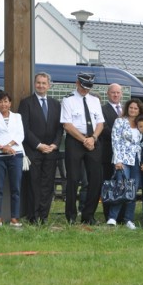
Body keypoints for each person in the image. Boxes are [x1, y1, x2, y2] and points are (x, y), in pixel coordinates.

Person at [18, 72, 63, 224]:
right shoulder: (26, 103)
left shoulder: (56, 104)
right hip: (33, 151)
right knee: (33, 184)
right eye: (38, 82)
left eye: (44, 83)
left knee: (47, 185)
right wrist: (39, 145)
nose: (41, 85)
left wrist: (54, 145)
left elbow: (59, 128)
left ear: (49, 85)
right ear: (34, 84)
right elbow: (24, 128)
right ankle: (33, 216)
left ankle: (44, 216)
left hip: (51, 152)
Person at [60, 73, 104, 225]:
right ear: (77, 83)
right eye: (83, 87)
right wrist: (84, 139)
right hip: (75, 140)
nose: (86, 90)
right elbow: (67, 124)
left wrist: (93, 138)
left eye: (88, 88)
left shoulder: (95, 100)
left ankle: (88, 215)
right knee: (73, 178)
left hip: (93, 140)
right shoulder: (68, 99)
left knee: (95, 179)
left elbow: (100, 122)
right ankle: (71, 215)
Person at [0, 91, 25, 227]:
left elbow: (20, 135)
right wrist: (3, 148)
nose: (3, 104)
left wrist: (9, 146)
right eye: (1, 102)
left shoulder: (17, 117)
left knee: (16, 187)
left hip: (15, 155)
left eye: (6, 101)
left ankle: (14, 217)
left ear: (10, 103)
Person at [107, 98, 143, 230]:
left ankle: (129, 219)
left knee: (132, 189)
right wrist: (117, 160)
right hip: (122, 160)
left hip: (137, 160)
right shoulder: (120, 121)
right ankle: (112, 217)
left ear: (139, 110)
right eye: (131, 108)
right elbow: (115, 140)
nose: (133, 110)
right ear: (127, 108)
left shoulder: (142, 123)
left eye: (136, 108)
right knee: (121, 187)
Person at [100, 83, 123, 220]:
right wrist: (120, 135)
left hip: (125, 156)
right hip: (108, 154)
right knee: (108, 184)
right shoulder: (102, 109)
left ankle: (120, 214)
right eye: (113, 92)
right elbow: (103, 128)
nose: (115, 95)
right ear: (108, 94)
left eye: (118, 92)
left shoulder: (126, 110)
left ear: (121, 94)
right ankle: (108, 214)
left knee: (121, 185)